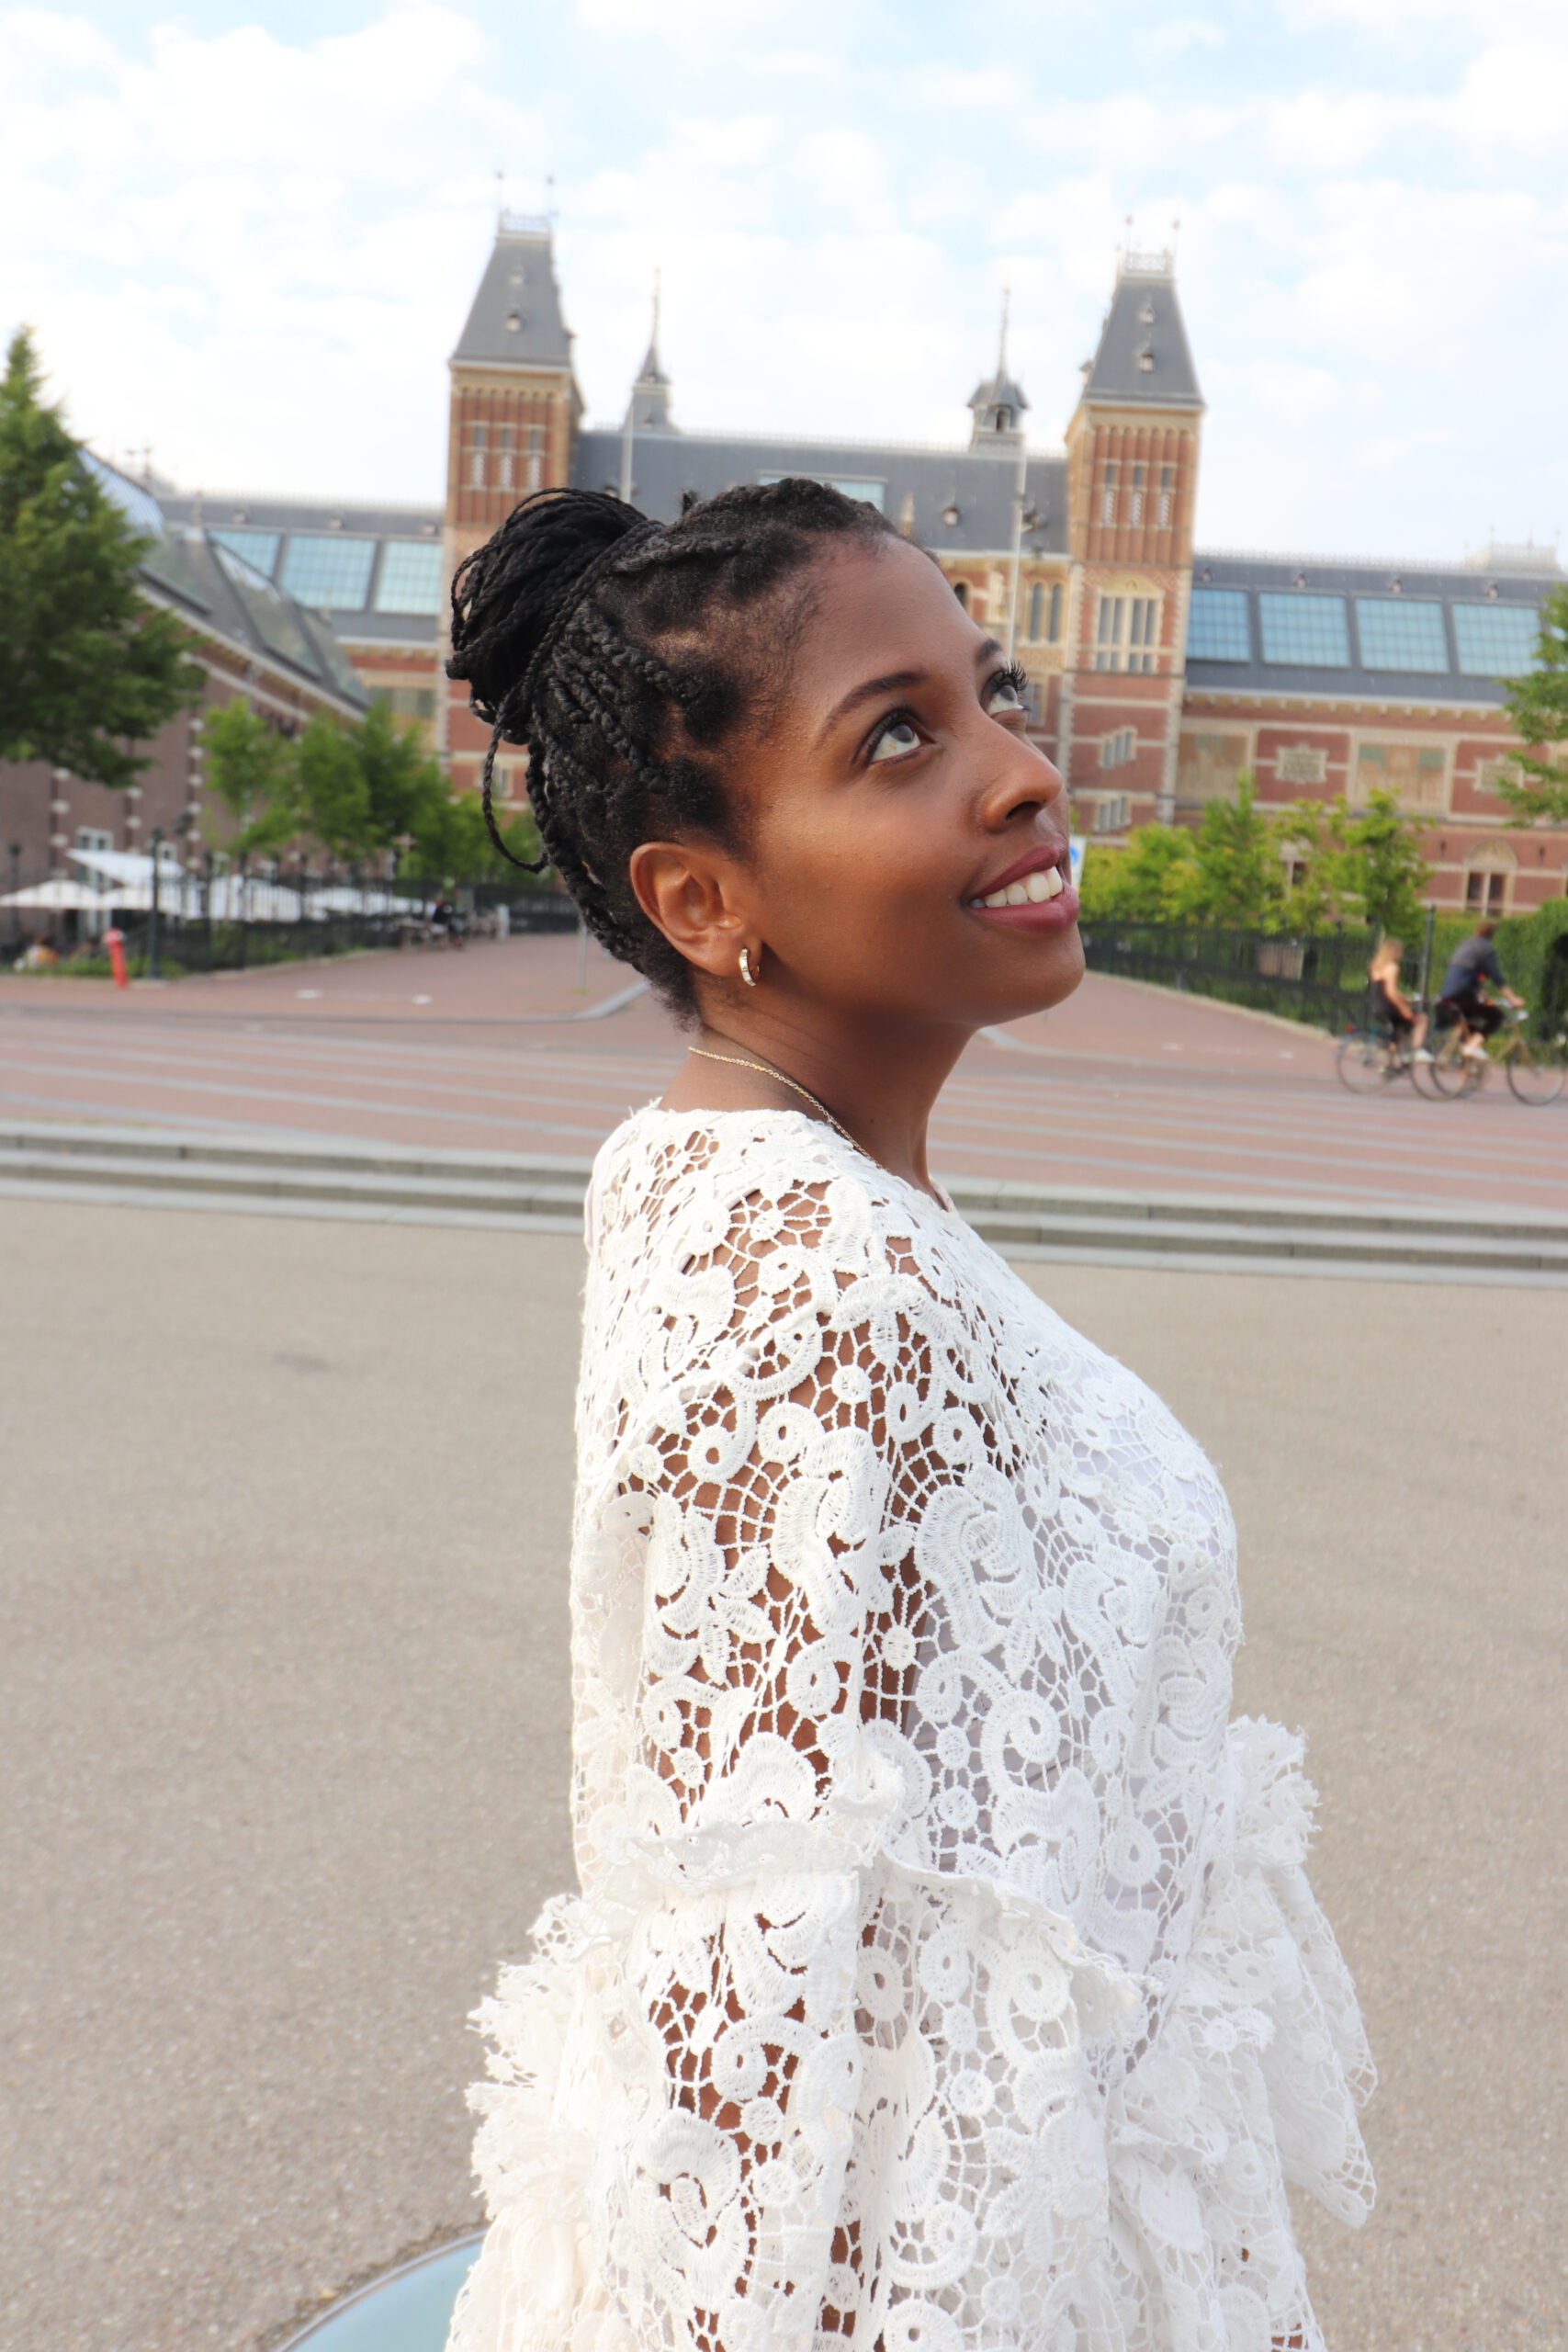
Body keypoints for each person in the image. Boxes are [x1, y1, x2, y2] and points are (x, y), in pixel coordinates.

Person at [443, 483, 1374, 2352]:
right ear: (704, 899)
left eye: (996, 692)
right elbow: (773, 1993)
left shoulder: (770, 1179)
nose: (1022, 770)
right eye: (898, 737)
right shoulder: (820, 1278)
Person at [1434, 919, 1523, 1059]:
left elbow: (1469, 978)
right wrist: (1512, 998)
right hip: (1463, 996)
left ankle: (1466, 1067)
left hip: (1447, 995)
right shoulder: (1485, 948)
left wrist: (1485, 997)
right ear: (1492, 934)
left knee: (1471, 1028)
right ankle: (1471, 1047)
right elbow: (1496, 976)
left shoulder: (1465, 945)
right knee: (1496, 1015)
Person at [1368, 935, 1429, 1059]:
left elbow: (1384, 990)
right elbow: (1391, 992)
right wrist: (1403, 1008)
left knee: (1401, 1027)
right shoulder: (1392, 967)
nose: (1401, 953)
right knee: (1422, 1019)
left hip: (1377, 1005)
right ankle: (1415, 1052)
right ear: (1394, 952)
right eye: (1400, 950)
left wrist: (1405, 997)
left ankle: (1390, 1062)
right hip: (1389, 1007)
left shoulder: (1376, 967)